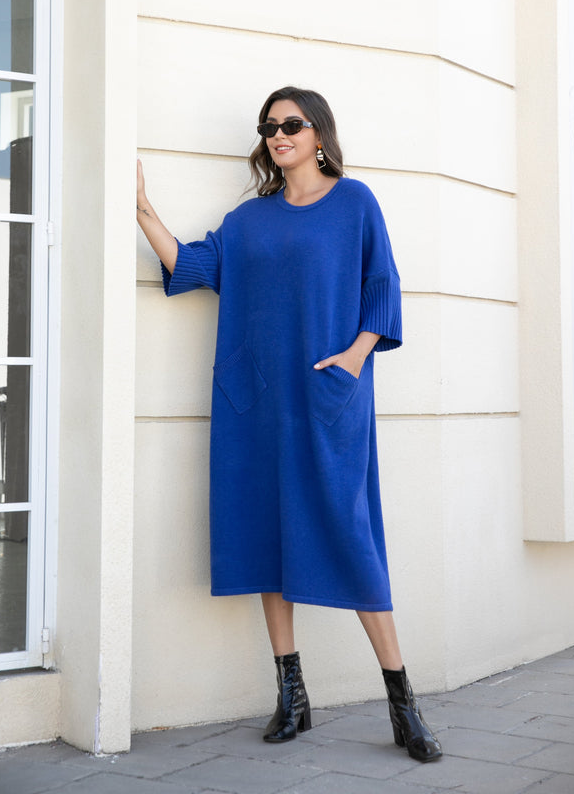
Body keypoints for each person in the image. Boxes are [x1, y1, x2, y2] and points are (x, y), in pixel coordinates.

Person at [136, 86, 442, 763]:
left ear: (319, 134)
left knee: (351, 536)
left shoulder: (354, 203)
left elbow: (381, 285)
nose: (279, 135)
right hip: (258, 403)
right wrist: (141, 207)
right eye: (269, 126)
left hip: (327, 397)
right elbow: (193, 267)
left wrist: (356, 357)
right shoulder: (249, 220)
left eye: (292, 124)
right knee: (269, 534)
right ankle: (292, 695)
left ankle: (403, 704)